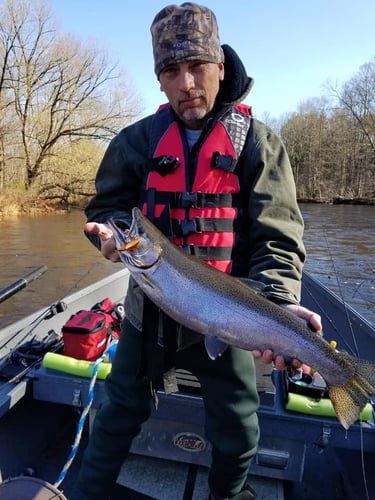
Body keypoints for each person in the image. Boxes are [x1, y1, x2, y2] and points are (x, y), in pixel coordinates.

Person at [73, 3, 322, 499]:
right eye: (172, 71)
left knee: (238, 433)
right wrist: (101, 235)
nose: (187, 82)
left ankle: (227, 495)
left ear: (221, 67)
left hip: (228, 317)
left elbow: (278, 239)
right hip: (149, 312)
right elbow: (105, 209)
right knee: (116, 413)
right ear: (159, 80)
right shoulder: (136, 140)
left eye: (197, 67)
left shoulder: (259, 144)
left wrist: (277, 301)